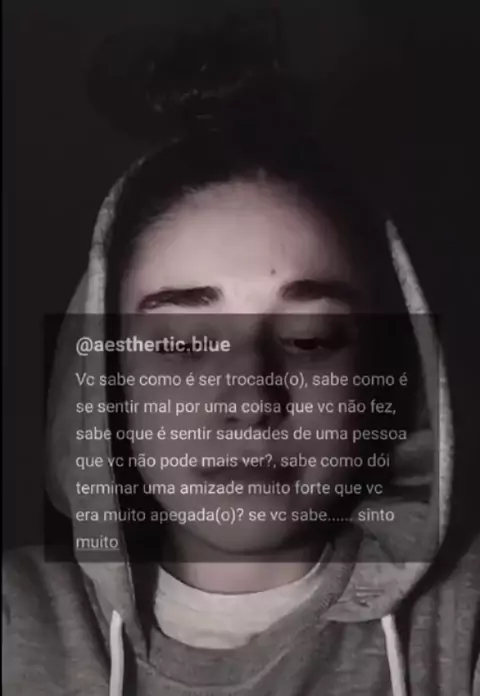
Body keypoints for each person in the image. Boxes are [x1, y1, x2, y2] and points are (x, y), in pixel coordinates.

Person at [3, 20, 480, 696]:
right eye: (183, 344)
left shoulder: (464, 622)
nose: (251, 400)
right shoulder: (15, 620)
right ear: (106, 385)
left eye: (310, 338)